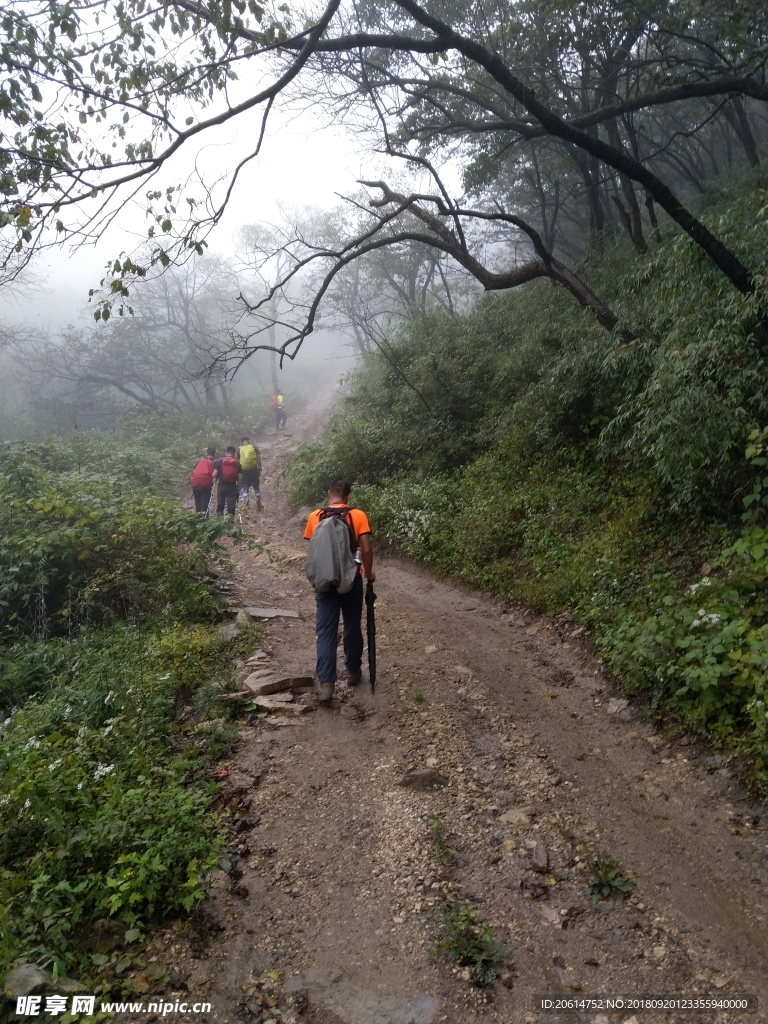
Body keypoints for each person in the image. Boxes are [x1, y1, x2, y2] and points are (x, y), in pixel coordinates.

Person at [304, 479, 375, 703]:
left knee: (326, 631)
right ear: (348, 496)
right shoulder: (358, 515)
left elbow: (315, 549)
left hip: (325, 582)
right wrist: (369, 573)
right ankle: (353, 671)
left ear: (329, 494)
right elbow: (366, 549)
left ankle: (326, 684)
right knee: (352, 624)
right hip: (351, 579)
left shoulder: (315, 516)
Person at [212, 446, 241, 517]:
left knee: (220, 505)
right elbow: (240, 478)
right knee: (231, 507)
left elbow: (214, 475)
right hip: (232, 487)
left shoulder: (220, 461)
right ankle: (230, 525)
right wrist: (238, 488)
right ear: (234, 454)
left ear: (226, 453)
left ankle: (220, 522)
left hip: (221, 486)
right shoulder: (237, 463)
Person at [237, 435, 263, 510]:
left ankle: (246, 505)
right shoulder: (254, 448)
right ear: (249, 441)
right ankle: (258, 504)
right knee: (256, 487)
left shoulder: (239, 450)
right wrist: (259, 468)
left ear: (242, 442)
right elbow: (258, 459)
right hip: (254, 470)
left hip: (244, 471)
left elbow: (238, 462)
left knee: (245, 487)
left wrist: (240, 472)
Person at [189, 446, 216, 515]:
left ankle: (197, 519)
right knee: (205, 505)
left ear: (207, 453)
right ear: (214, 454)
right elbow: (214, 475)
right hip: (205, 486)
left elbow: (194, 470)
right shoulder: (213, 463)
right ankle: (204, 520)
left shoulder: (200, 460)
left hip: (195, 484)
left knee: (198, 503)